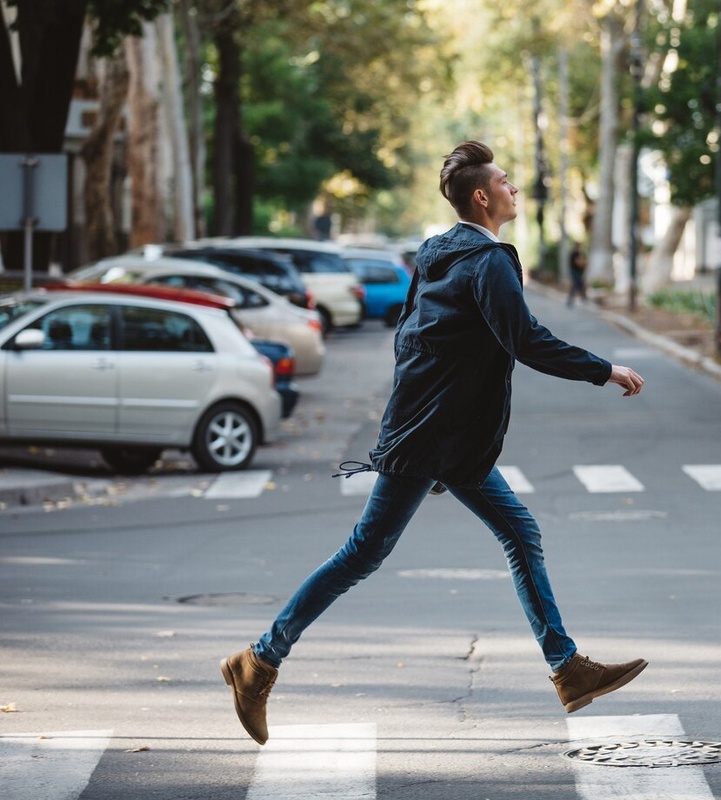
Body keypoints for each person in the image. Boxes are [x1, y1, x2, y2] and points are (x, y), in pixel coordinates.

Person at [220, 141, 648, 745]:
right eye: (505, 180)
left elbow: (408, 341)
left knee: (519, 532)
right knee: (363, 552)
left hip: (440, 436)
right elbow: (524, 340)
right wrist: (604, 370)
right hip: (431, 439)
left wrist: (433, 419)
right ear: (482, 196)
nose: (513, 188)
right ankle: (258, 662)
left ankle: (567, 669)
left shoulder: (435, 252)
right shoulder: (489, 262)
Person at [567, 241, 587, 307]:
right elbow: (577, 262)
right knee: (577, 284)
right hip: (575, 271)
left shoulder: (578, 253)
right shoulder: (575, 253)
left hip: (578, 272)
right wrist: (584, 263)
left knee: (578, 284)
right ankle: (582, 298)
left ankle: (582, 298)